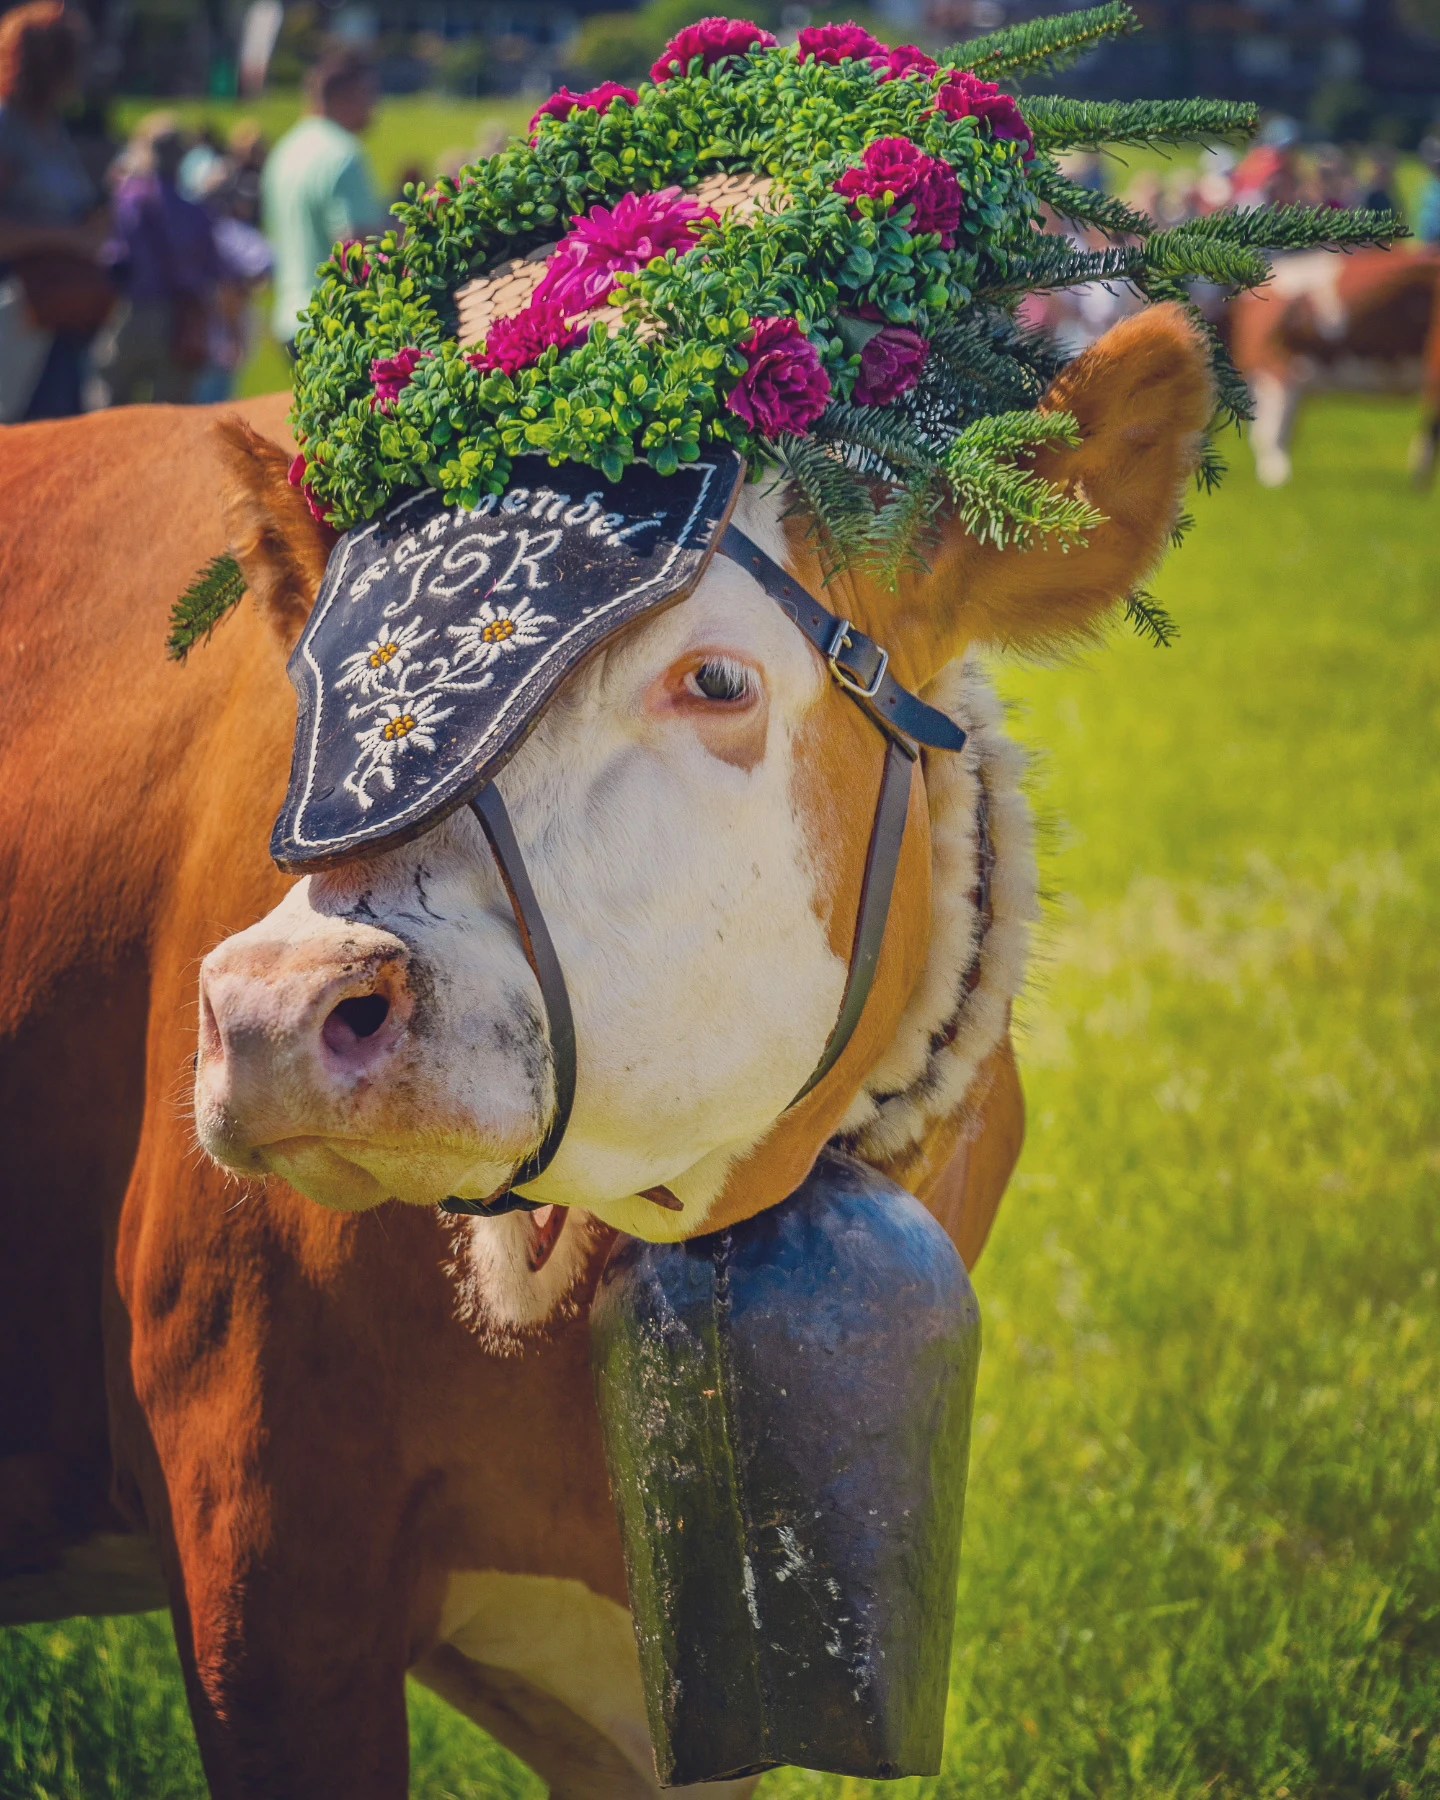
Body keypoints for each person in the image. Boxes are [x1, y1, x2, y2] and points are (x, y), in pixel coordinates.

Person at [0, 0, 108, 421]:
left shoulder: (52, 128)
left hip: (59, 321)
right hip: (17, 320)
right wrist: (71, 238)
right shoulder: (8, 128)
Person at [94, 113, 220, 405]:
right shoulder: (197, 211)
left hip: (135, 312)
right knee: (172, 415)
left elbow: (115, 257)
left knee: (109, 402)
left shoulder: (129, 198)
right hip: (181, 318)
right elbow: (211, 271)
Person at [263, 48, 382, 355]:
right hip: (333, 322)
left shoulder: (285, 149)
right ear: (345, 96)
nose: (374, 105)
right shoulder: (343, 154)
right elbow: (357, 247)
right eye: (368, 94)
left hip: (290, 318)